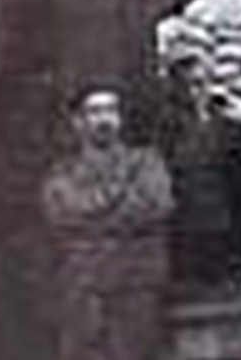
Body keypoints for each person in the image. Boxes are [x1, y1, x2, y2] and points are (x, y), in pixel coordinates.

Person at [42, 87, 174, 360]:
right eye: (95, 111)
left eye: (112, 110)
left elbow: (157, 207)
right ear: (78, 122)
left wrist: (91, 221)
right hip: (84, 290)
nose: (105, 119)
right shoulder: (62, 172)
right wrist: (122, 198)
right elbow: (61, 216)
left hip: (135, 286)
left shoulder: (147, 161)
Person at [159, 57, 241, 288]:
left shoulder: (234, 130)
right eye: (186, 85)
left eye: (199, 83)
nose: (193, 92)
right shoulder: (165, 133)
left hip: (228, 232)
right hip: (186, 234)